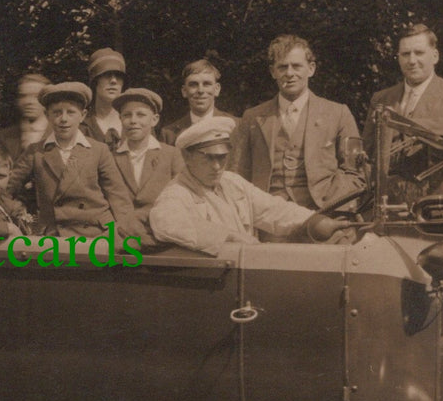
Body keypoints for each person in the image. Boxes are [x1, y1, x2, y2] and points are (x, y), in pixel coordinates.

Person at [149, 117, 345, 256]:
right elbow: (167, 223)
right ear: (187, 157)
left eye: (222, 157)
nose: (217, 167)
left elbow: (274, 210)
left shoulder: (232, 182)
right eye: (208, 158)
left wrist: (313, 221)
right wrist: (229, 237)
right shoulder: (176, 193)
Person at [229, 35, 365, 211]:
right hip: (268, 218)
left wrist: (333, 206)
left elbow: (354, 172)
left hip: (322, 214)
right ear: (273, 72)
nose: (289, 73)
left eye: (296, 66)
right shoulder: (253, 117)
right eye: (282, 67)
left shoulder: (338, 113)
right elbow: (237, 175)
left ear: (311, 69)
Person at [8, 82, 143, 239]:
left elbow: (118, 197)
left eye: (71, 112)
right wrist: (18, 212)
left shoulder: (98, 150)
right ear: (47, 115)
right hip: (54, 236)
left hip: (97, 234)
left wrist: (123, 234)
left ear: (83, 115)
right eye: (57, 113)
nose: (63, 119)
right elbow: (5, 187)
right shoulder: (36, 152)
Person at [361, 23, 443, 199]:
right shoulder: (381, 98)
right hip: (387, 201)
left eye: (419, 53)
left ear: (434, 56)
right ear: (398, 57)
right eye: (405, 54)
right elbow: (367, 151)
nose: (411, 61)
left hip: (438, 201)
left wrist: (399, 122)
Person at [112, 88, 184, 230]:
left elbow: (181, 199)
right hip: (120, 233)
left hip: (162, 230)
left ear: (154, 120)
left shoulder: (172, 155)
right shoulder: (110, 158)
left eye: (141, 115)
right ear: (120, 119)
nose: (133, 121)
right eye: (127, 115)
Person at [160, 59, 238, 146]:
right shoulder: (169, 134)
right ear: (184, 91)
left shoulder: (237, 126)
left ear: (217, 89)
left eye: (206, 84)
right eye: (193, 84)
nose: (200, 90)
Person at [0, 73, 51, 160]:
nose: (29, 101)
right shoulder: (4, 137)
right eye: (23, 96)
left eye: (36, 96)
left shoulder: (61, 133)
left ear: (47, 100)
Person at [82, 48, 127, 147]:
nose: (114, 81)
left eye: (119, 76)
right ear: (95, 81)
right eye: (107, 75)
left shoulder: (136, 122)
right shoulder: (81, 124)